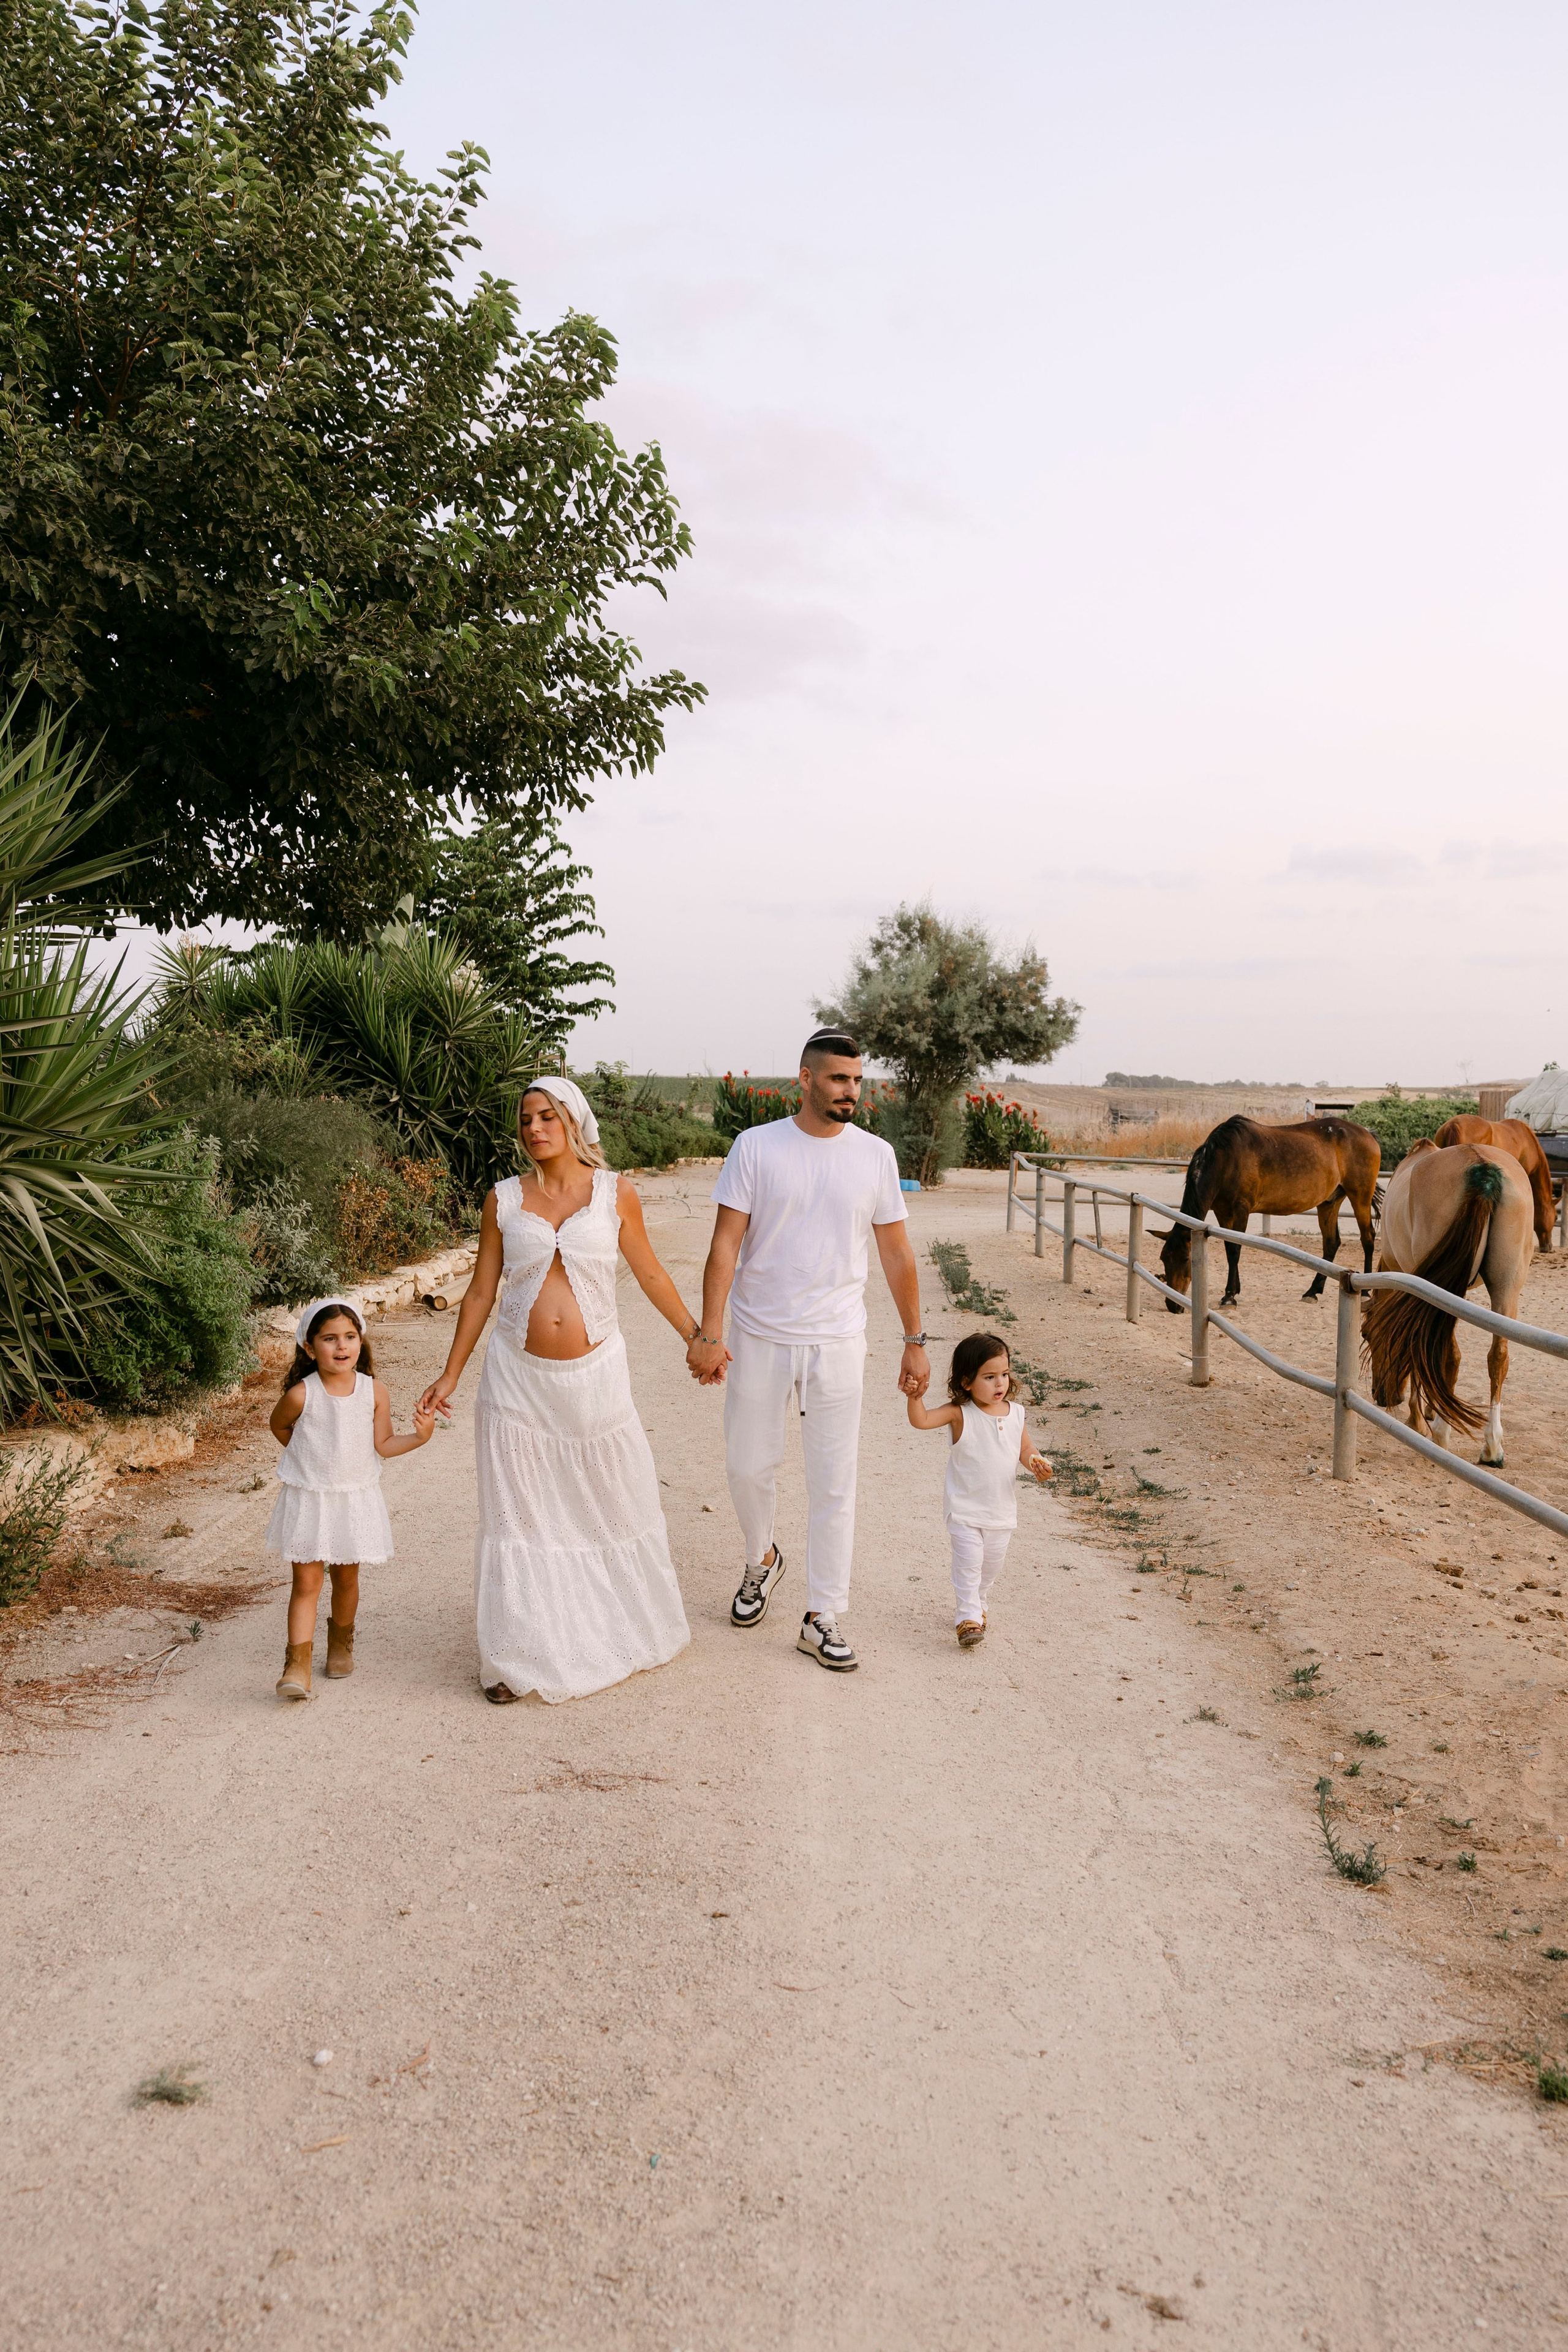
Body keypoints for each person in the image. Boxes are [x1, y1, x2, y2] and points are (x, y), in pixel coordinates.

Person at [417, 1076, 696, 1705]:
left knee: (609, 1498)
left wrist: (694, 1335)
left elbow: (649, 1271)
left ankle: (616, 1625)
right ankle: (516, 1658)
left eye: (546, 1116)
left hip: (596, 1379)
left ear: (573, 1120)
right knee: (523, 1514)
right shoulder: (503, 1199)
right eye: (525, 1121)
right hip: (516, 1381)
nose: (535, 1129)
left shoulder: (614, 1193)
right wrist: (450, 1373)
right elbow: (483, 1293)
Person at [686, 1028, 930, 1672]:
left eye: (857, 1081)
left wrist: (914, 1340)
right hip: (759, 1336)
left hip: (838, 1342)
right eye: (838, 1079)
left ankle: (823, 1614)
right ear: (805, 1079)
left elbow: (896, 1252)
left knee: (833, 1483)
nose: (851, 1091)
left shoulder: (874, 1156)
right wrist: (710, 1333)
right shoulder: (756, 1148)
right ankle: (761, 1559)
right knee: (747, 1466)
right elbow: (724, 1248)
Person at [267, 1297, 435, 1701]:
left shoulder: (374, 1392)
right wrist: (309, 1462)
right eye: (329, 1339)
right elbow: (280, 1428)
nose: (341, 1347)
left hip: (353, 1500)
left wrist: (419, 1437)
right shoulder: (300, 1395)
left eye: (349, 1337)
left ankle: (341, 1644)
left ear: (360, 1342)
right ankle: (297, 1664)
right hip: (311, 1500)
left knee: (346, 1577)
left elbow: (384, 1443)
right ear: (310, 1348)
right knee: (306, 1583)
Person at [905, 1332, 1052, 1646]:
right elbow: (922, 1421)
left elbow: (1025, 1449)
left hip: (1000, 1511)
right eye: (989, 1377)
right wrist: (915, 1398)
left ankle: (979, 1601)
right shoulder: (960, 1413)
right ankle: (968, 1617)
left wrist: (1035, 1462)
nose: (1000, 1384)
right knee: (969, 1562)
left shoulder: (1016, 1414)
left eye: (1004, 1375)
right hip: (965, 1510)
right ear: (966, 1382)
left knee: (990, 1566)